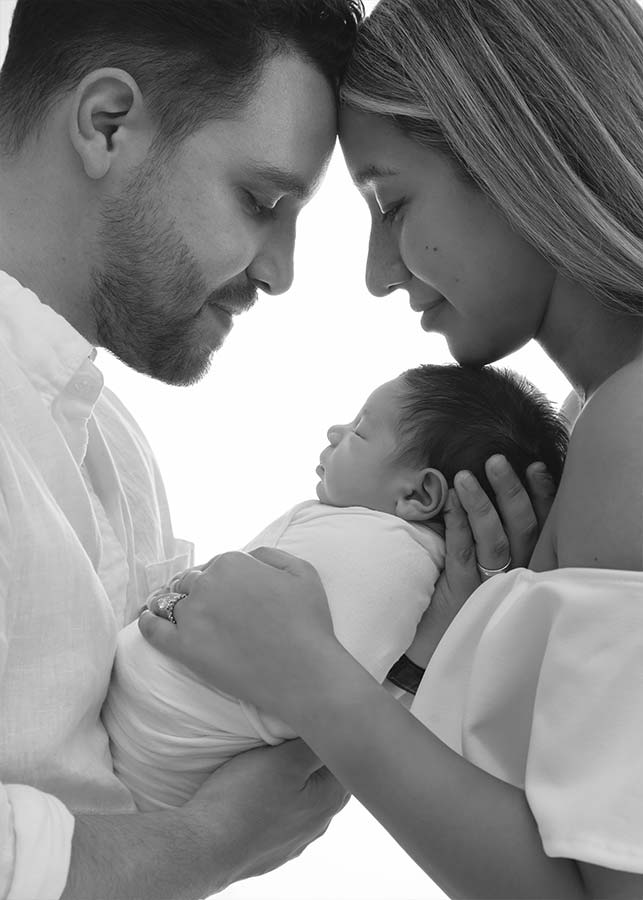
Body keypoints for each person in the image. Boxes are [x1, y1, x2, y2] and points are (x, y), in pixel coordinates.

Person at [140, 1, 643, 898]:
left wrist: (312, 679)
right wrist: (438, 646)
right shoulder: (592, 423)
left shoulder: (630, 424)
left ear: (518, 156)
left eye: (390, 203)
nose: (379, 274)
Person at [0, 1, 369, 898]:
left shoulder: (111, 447)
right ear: (107, 124)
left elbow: (149, 772)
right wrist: (209, 844)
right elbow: (191, 831)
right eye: (260, 201)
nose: (279, 271)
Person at [105, 364, 568, 811]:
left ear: (418, 495)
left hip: (161, 754)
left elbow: (328, 699)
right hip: (149, 750)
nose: (335, 431)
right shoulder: (372, 540)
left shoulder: (389, 554)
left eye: (360, 431)